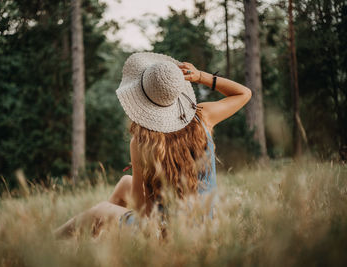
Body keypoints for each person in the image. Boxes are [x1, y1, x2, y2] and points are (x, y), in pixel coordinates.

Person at [54, 52, 251, 238]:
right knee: (124, 182)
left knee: (99, 211)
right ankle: (98, 244)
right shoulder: (203, 116)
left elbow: (142, 211)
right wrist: (201, 76)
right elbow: (243, 93)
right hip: (208, 227)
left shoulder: (142, 143)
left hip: (170, 236)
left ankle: (50, 242)